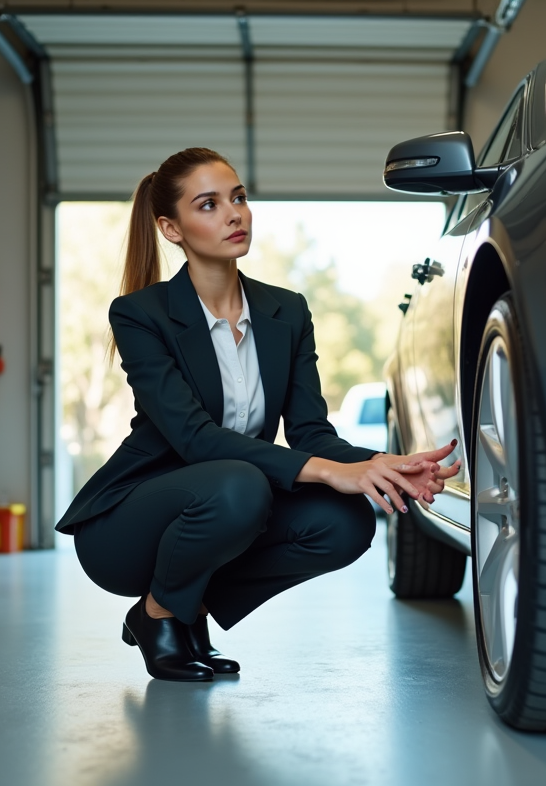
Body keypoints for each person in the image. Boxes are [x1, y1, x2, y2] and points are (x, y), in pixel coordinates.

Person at [56, 147, 461, 682]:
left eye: (239, 197)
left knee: (345, 522)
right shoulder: (140, 314)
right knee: (240, 485)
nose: (234, 214)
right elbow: (196, 439)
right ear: (170, 229)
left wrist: (380, 463)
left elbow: (312, 431)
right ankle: (159, 613)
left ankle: (183, 606)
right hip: (129, 525)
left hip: (230, 502)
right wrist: (327, 471)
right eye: (208, 204)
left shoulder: (285, 311)